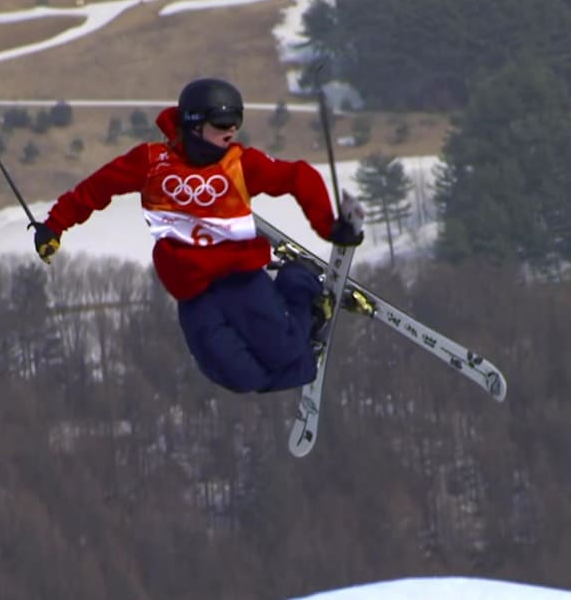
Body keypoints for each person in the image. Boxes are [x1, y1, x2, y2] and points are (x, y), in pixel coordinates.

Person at [30, 78, 363, 393]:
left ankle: (301, 284)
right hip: (193, 290)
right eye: (222, 124)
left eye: (236, 122)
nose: (231, 131)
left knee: (288, 355)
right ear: (194, 124)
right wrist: (54, 225)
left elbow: (297, 176)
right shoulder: (151, 163)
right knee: (242, 378)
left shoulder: (241, 164)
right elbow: (96, 189)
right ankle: (301, 350)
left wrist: (329, 227)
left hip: (241, 279)